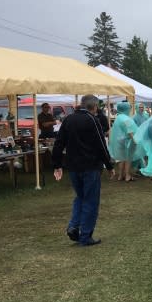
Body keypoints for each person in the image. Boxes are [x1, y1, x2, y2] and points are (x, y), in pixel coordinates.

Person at [52, 94, 115, 247]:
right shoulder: (92, 120)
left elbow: (59, 143)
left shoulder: (68, 119)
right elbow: (101, 145)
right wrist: (109, 165)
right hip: (90, 166)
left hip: (73, 166)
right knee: (90, 200)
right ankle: (85, 235)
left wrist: (56, 164)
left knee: (80, 197)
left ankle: (74, 226)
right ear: (93, 107)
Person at [109, 102, 143, 182]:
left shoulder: (119, 117)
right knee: (128, 158)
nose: (130, 109)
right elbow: (129, 131)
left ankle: (120, 175)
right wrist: (134, 140)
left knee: (121, 158)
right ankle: (127, 175)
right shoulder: (126, 118)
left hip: (119, 141)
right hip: (127, 141)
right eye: (129, 108)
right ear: (126, 109)